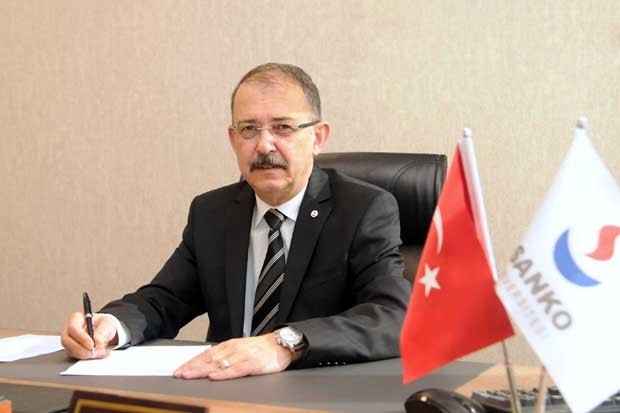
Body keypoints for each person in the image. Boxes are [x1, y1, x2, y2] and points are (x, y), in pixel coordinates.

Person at [61, 63, 412, 380]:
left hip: (316, 396)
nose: (264, 145)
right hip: (225, 393)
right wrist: (112, 325)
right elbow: (163, 299)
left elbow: (393, 316)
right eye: (249, 129)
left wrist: (283, 344)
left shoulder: (363, 209)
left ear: (317, 138)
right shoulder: (212, 213)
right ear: (233, 139)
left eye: (283, 127)